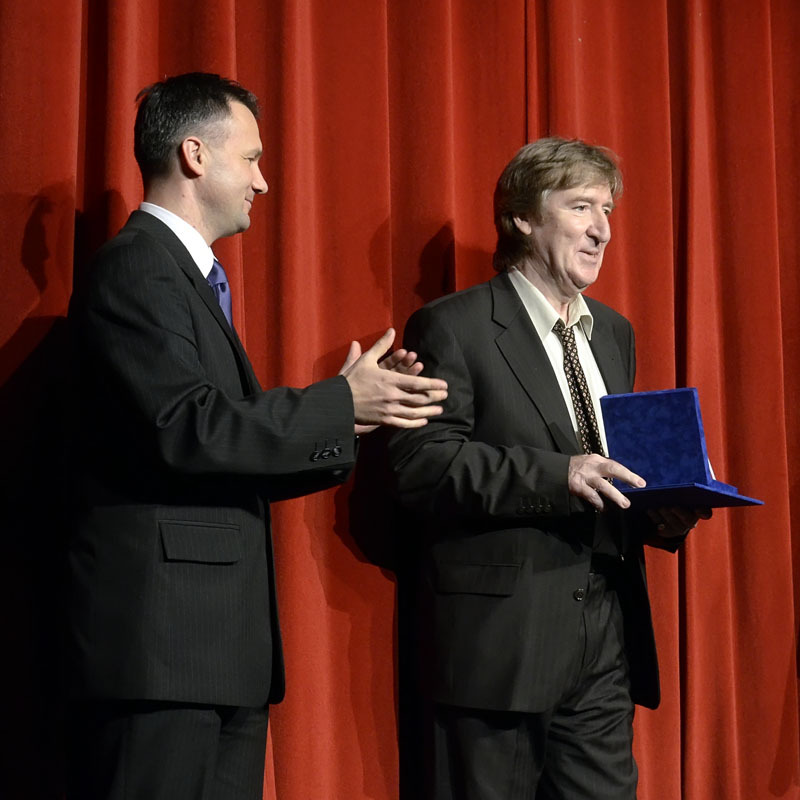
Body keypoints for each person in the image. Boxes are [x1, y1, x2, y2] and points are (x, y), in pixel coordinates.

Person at [63, 72, 447, 800]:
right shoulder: (137, 268)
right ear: (195, 154)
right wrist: (336, 403)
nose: (263, 182)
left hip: (213, 656)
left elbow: (220, 446)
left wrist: (352, 413)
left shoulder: (184, 276)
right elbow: (187, 427)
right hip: (161, 655)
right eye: (251, 159)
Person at [388, 137, 710, 800]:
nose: (602, 230)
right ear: (523, 217)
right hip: (500, 643)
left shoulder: (614, 333)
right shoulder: (453, 327)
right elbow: (422, 465)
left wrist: (663, 511)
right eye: (581, 206)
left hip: (604, 635)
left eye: (607, 210)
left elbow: (611, 469)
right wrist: (557, 476)